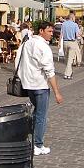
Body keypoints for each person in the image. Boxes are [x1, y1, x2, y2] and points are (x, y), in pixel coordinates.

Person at [18, 21, 64, 155]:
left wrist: (23, 78)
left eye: (52, 31)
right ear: (41, 31)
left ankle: (29, 139)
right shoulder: (43, 47)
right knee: (41, 116)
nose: (52, 34)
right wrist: (57, 92)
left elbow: (19, 61)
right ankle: (37, 144)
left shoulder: (27, 43)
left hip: (29, 84)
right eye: (49, 31)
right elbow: (49, 71)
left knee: (36, 113)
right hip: (40, 85)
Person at [60, 13, 81, 80]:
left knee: (66, 58)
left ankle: (69, 72)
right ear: (72, 18)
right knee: (70, 59)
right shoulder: (75, 25)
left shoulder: (63, 24)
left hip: (65, 42)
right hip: (72, 42)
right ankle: (67, 74)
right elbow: (77, 35)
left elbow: (61, 34)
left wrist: (59, 42)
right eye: (74, 18)